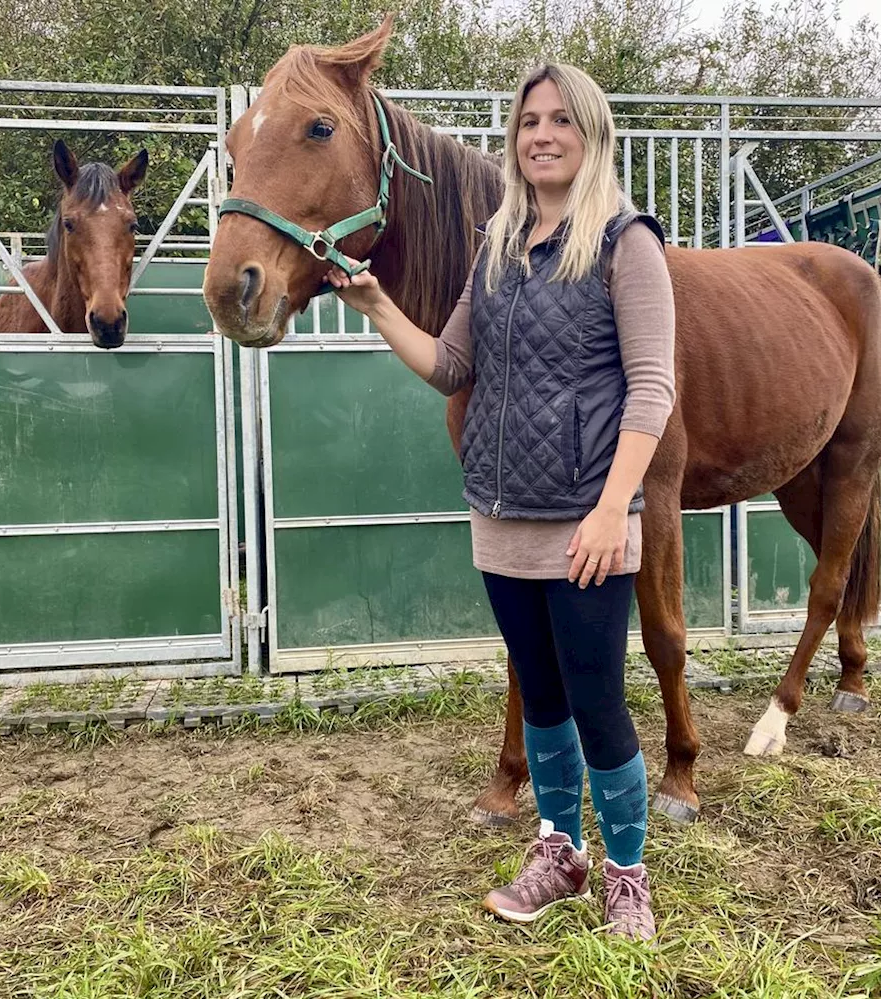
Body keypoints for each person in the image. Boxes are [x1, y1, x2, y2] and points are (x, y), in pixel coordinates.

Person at [327, 62, 676, 940]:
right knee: (545, 696)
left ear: (590, 135)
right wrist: (376, 309)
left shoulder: (626, 244)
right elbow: (453, 366)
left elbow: (653, 390)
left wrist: (611, 510)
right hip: (502, 517)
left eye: (561, 120)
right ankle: (560, 850)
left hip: (587, 526)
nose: (542, 135)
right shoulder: (496, 247)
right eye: (528, 122)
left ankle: (627, 874)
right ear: (514, 139)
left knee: (597, 699)